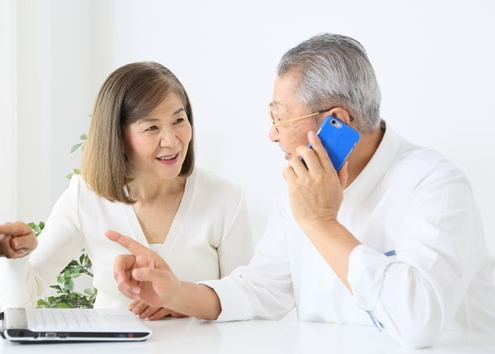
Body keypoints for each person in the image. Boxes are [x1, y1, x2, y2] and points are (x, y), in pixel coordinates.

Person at [107, 33, 495, 347]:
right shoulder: (304, 182)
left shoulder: (437, 186)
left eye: (280, 117)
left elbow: (419, 321)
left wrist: (321, 223)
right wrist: (178, 294)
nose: (272, 134)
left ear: (336, 122)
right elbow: (261, 289)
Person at [0, 61, 254, 320]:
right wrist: (16, 258)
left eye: (178, 120)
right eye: (152, 127)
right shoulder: (84, 196)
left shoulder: (224, 197)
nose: (172, 140)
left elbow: (248, 299)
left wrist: (185, 300)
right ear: (118, 137)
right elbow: (16, 305)